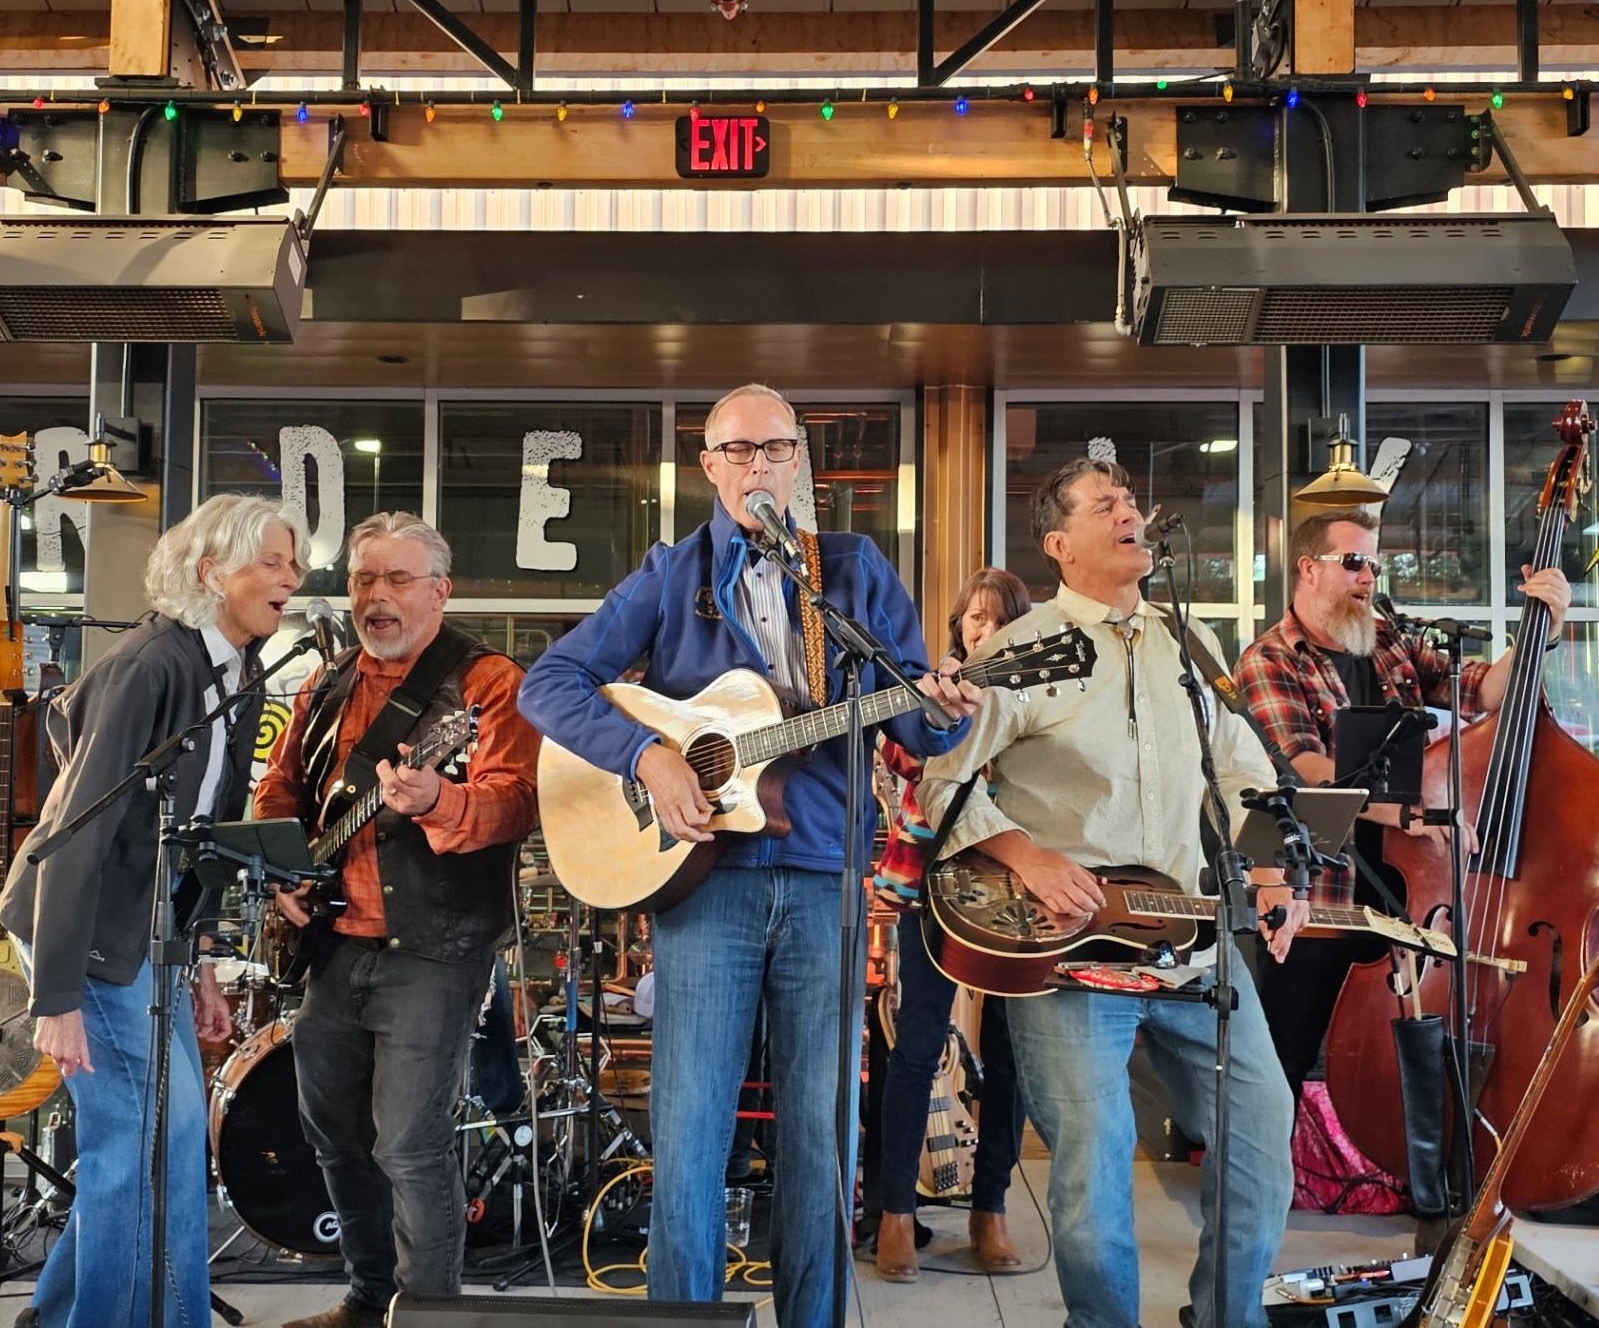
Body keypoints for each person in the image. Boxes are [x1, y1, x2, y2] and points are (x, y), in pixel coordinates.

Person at [517, 383, 981, 1328]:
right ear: (709, 467)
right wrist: (646, 754)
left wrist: (941, 711)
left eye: (774, 447)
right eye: (737, 450)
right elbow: (550, 681)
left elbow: (914, 723)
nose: (757, 464)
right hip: (705, 883)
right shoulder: (671, 572)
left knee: (820, 1136)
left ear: (800, 459)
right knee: (691, 1132)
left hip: (822, 877)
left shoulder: (848, 571)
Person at [917, 456, 1303, 1328]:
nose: (1130, 511)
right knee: (1094, 1167)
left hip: (1192, 948)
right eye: (1106, 504)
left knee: (1260, 1135)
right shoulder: (1019, 649)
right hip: (1072, 958)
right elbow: (942, 784)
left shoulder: (1189, 643)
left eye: (1131, 499)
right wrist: (1024, 854)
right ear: (1059, 544)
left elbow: (1242, 771)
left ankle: (1227, 1318)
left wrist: (1272, 869)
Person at [0, 493, 310, 1328]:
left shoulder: (239, 670)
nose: (292, 577)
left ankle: (62, 1312)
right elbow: (77, 833)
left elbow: (202, 832)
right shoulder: (151, 666)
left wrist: (199, 958)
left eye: (294, 563)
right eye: (273, 561)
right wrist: (57, 996)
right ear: (212, 571)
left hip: (153, 933)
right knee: (149, 1142)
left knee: (151, 1141)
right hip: (87, 932)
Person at [256, 511, 540, 1328]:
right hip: (332, 944)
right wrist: (283, 873)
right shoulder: (326, 682)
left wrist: (438, 797)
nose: (376, 596)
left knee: (409, 1143)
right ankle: (368, 1297)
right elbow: (279, 789)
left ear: (440, 591)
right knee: (332, 1132)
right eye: (363, 579)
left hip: (437, 948)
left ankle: (428, 1314)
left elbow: (516, 803)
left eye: (398, 579)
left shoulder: (488, 684)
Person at [1230, 507, 1570, 1102]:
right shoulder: (1270, 659)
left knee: (1395, 1067)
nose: (1369, 577)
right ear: (1308, 569)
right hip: (1319, 896)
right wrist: (1406, 812)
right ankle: (1268, 1167)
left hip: (1408, 895)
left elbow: (1484, 691)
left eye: (1374, 564)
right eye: (1353, 562)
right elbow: (1304, 768)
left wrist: (1541, 630)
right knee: (1283, 1062)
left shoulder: (1388, 642)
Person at [872, 566, 1031, 1282]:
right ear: (959, 625)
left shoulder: (1040, 691)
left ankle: (989, 1209)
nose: (985, 629)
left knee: (1010, 1054)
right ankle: (895, 1213)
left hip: (1019, 889)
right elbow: (900, 755)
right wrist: (947, 712)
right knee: (916, 1046)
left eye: (1001, 618)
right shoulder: (933, 688)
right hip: (929, 882)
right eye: (975, 617)